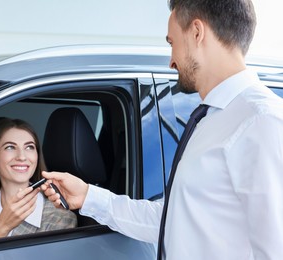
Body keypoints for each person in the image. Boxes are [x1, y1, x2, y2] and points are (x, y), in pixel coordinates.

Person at [41, 0, 283, 259]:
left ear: (197, 32)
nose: (171, 61)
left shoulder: (262, 121)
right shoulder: (210, 119)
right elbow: (172, 220)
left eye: (172, 43)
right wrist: (88, 196)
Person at [0, 118, 77, 243]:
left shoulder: (60, 218)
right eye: (10, 147)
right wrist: (0, 227)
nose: (21, 157)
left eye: (29, 147)